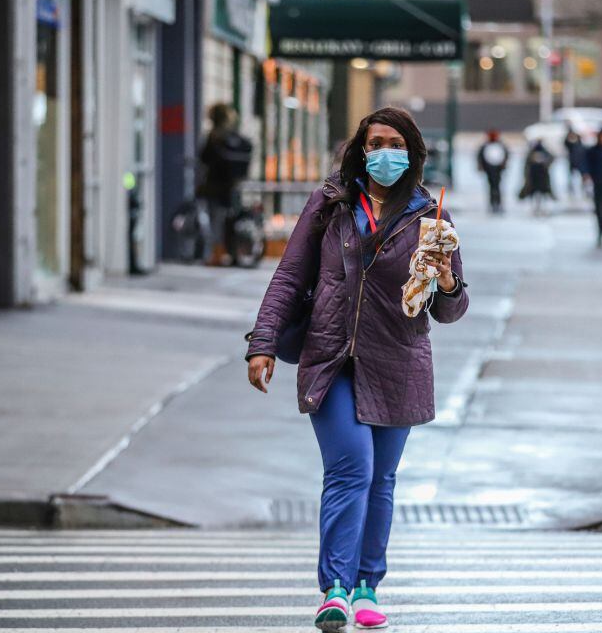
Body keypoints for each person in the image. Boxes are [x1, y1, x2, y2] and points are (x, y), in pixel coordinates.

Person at [245, 106, 469, 632]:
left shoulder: (429, 217)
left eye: (394, 143)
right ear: (360, 149)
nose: (383, 152)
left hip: (398, 360)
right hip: (332, 357)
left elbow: (452, 310)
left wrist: (447, 282)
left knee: (381, 480)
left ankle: (369, 584)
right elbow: (289, 275)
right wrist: (263, 343)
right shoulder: (331, 204)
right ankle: (336, 590)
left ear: (411, 152)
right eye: (374, 143)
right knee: (352, 468)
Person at [198, 103, 252, 265]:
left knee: (216, 221)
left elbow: (204, 158)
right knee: (231, 219)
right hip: (233, 185)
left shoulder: (214, 136)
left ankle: (217, 253)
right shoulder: (236, 136)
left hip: (215, 185)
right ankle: (233, 252)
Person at [477, 129, 510, 214]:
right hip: (490, 169)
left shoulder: (497, 145)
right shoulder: (488, 146)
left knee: (495, 187)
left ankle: (496, 204)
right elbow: (480, 157)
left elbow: (506, 156)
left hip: (496, 169)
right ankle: (494, 204)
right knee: (493, 187)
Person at [519, 138, 555, 216]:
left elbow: (551, 158)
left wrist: (545, 163)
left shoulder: (543, 151)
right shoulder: (532, 152)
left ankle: (541, 207)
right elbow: (527, 164)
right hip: (534, 176)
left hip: (542, 176)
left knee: (542, 192)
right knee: (534, 192)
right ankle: (536, 207)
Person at [564, 126, 586, 197]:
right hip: (572, 161)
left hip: (579, 161)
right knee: (571, 177)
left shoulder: (579, 144)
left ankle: (583, 189)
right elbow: (566, 143)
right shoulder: (570, 144)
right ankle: (571, 189)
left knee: (581, 176)